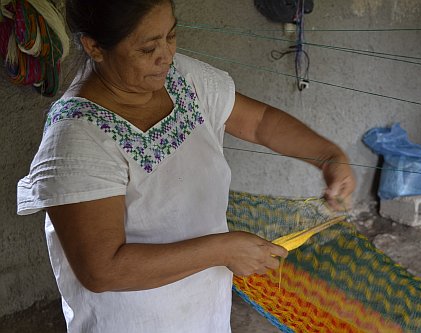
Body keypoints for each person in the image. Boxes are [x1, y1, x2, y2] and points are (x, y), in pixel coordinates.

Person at [17, 0, 356, 332]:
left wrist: (326, 155)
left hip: (204, 310)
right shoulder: (76, 139)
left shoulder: (183, 79)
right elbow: (103, 269)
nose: (165, 56)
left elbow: (259, 123)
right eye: (148, 47)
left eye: (171, 35)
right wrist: (223, 249)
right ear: (95, 47)